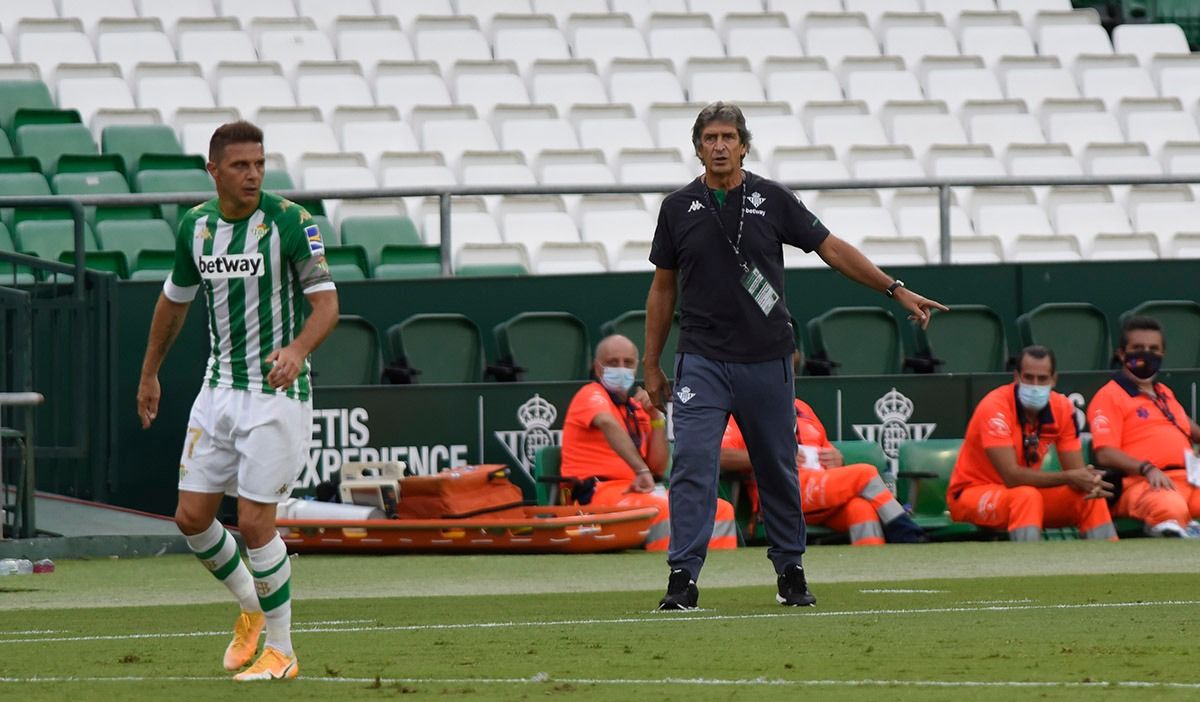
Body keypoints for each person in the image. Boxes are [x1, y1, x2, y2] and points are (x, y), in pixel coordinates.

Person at [643, 101, 947, 610]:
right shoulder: (677, 207)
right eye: (710, 138)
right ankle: (683, 576)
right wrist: (650, 363)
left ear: (744, 145)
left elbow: (831, 248)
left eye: (729, 137)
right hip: (701, 357)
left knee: (777, 467)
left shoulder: (773, 198)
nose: (719, 146)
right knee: (693, 463)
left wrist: (895, 288)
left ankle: (790, 567)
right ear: (698, 148)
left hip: (767, 357)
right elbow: (662, 287)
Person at [136, 121, 339, 681]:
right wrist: (149, 373)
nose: (252, 174)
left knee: (254, 523)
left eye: (259, 164)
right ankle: (251, 607)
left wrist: (297, 349)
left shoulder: (292, 223)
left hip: (276, 396)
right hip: (217, 390)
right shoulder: (196, 228)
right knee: (192, 518)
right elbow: (173, 304)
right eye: (240, 165)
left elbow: (327, 304)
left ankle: (282, 651)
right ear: (214, 171)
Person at [561, 334, 737, 552]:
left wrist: (655, 418)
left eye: (627, 362)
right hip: (598, 493)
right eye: (613, 363)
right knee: (662, 510)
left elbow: (658, 467)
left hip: (639, 489)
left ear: (636, 367)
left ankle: (719, 574)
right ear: (598, 369)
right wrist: (641, 470)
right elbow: (607, 422)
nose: (621, 368)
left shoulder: (637, 408)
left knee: (720, 509)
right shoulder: (590, 394)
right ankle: (670, 573)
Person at [947, 346, 1116, 541]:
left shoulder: (1062, 408)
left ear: (1054, 380)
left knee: (1090, 497)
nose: (1035, 385)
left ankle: (1109, 562)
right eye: (1028, 377)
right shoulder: (995, 406)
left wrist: (1089, 479)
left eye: (1042, 379)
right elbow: (1011, 477)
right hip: (970, 495)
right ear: (1017, 377)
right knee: (1026, 497)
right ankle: (1030, 567)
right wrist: (1071, 476)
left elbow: (1075, 474)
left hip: (1024, 495)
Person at [721, 393, 926, 546]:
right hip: (783, 491)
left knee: (861, 510)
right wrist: (771, 457)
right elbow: (721, 456)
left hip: (822, 491)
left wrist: (838, 458)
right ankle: (906, 533)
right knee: (865, 472)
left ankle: (875, 575)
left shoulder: (801, 407)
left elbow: (827, 450)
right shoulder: (743, 408)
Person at [1088, 315, 1200, 538]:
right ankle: (1170, 533)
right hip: (1142, 484)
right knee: (1169, 506)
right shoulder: (1110, 395)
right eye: (1138, 347)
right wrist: (1147, 468)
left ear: (1162, 353)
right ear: (1122, 353)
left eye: (1153, 348)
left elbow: (1191, 430)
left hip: (1188, 480)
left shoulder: (1164, 393)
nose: (1146, 354)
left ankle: (1187, 529)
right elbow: (1105, 454)